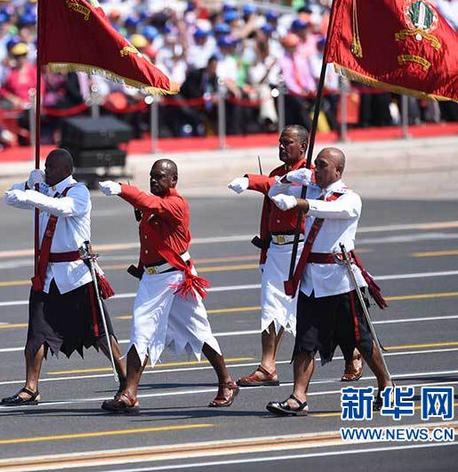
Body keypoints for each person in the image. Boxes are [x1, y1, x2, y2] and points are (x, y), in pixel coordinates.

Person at [97, 160, 238, 413]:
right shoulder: (155, 204)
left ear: (173, 180)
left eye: (160, 177)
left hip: (176, 277)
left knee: (199, 330)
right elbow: (149, 219)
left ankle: (227, 382)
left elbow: (152, 204)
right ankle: (130, 394)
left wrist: (122, 190)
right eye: (151, 176)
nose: (154, 180)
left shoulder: (176, 203)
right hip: (154, 279)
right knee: (141, 329)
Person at [228, 127, 364, 385]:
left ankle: (353, 354)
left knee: (324, 309)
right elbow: (268, 211)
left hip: (302, 249)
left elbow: (276, 187)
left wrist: (250, 180)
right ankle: (267, 366)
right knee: (271, 307)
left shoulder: (312, 176)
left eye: (287, 142)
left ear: (303, 146)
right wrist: (265, 249)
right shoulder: (277, 174)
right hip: (277, 251)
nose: (281, 147)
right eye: (279, 142)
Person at [265, 148, 391, 416]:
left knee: (362, 341)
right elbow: (273, 195)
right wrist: (287, 180)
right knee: (305, 341)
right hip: (312, 281)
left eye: (322, 166)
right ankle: (298, 397)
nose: (316, 170)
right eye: (315, 166)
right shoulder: (308, 190)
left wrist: (300, 204)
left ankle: (385, 383)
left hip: (341, 282)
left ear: (338, 171)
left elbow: (329, 210)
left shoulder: (350, 199)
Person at [2, 148, 127, 405]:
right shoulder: (44, 189)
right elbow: (10, 198)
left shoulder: (78, 192)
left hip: (76, 275)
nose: (46, 171)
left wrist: (33, 194)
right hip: (46, 275)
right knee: (36, 332)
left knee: (100, 333)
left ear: (64, 170)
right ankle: (31, 387)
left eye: (50, 168)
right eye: (45, 167)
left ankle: (127, 382)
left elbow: (63, 208)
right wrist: (28, 184)